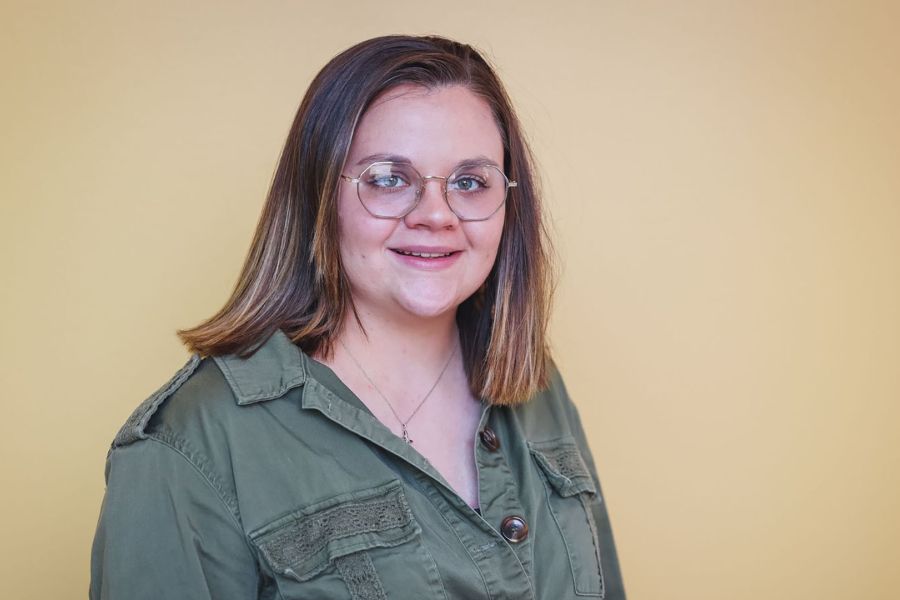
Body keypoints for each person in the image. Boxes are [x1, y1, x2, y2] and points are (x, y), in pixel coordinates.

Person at [90, 35, 626, 600]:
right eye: (389, 178)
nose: (437, 215)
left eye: (470, 182)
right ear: (318, 195)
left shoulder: (534, 382)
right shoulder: (189, 442)